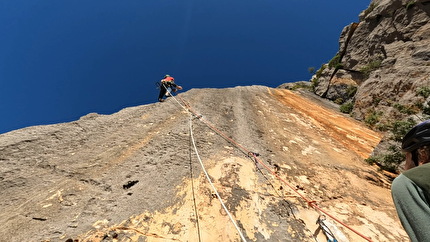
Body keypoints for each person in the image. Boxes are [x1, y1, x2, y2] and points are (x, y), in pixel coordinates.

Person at [391, 119, 430, 242]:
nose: (405, 165)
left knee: (402, 183)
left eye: (407, 157)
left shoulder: (410, 182)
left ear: (422, 154)